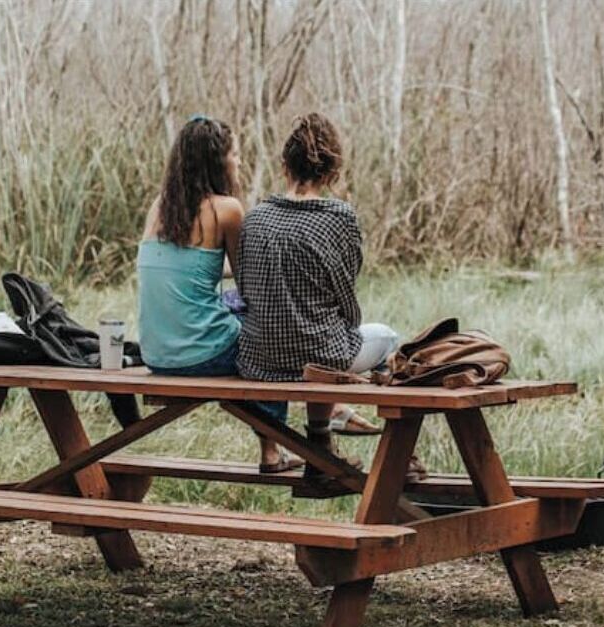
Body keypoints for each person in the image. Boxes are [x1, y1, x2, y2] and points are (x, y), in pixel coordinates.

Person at [236, 112, 426, 480]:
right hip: (320, 356)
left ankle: (321, 447)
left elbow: (245, 289)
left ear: (284, 166)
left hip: (259, 358)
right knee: (386, 339)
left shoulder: (255, 218)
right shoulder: (338, 218)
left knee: (319, 345)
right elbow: (346, 300)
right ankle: (404, 459)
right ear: (331, 171)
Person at [136, 115, 302, 473]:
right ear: (218, 161)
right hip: (201, 354)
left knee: (232, 308)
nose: (239, 162)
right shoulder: (227, 209)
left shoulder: (161, 206)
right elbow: (251, 288)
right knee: (272, 332)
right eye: (236, 154)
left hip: (156, 353)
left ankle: (294, 438)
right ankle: (275, 449)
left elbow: (192, 269)